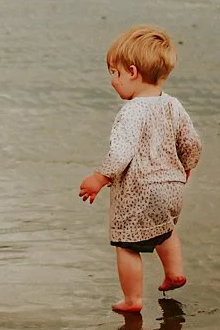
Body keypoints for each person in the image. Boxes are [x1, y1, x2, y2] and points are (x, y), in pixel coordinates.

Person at [77, 27, 202, 313]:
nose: (113, 82)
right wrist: (187, 167)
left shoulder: (131, 112)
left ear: (132, 72)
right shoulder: (173, 105)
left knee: (127, 245)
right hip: (173, 186)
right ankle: (174, 273)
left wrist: (99, 177)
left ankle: (132, 300)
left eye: (115, 73)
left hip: (139, 190)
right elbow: (191, 142)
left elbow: (121, 152)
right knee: (165, 230)